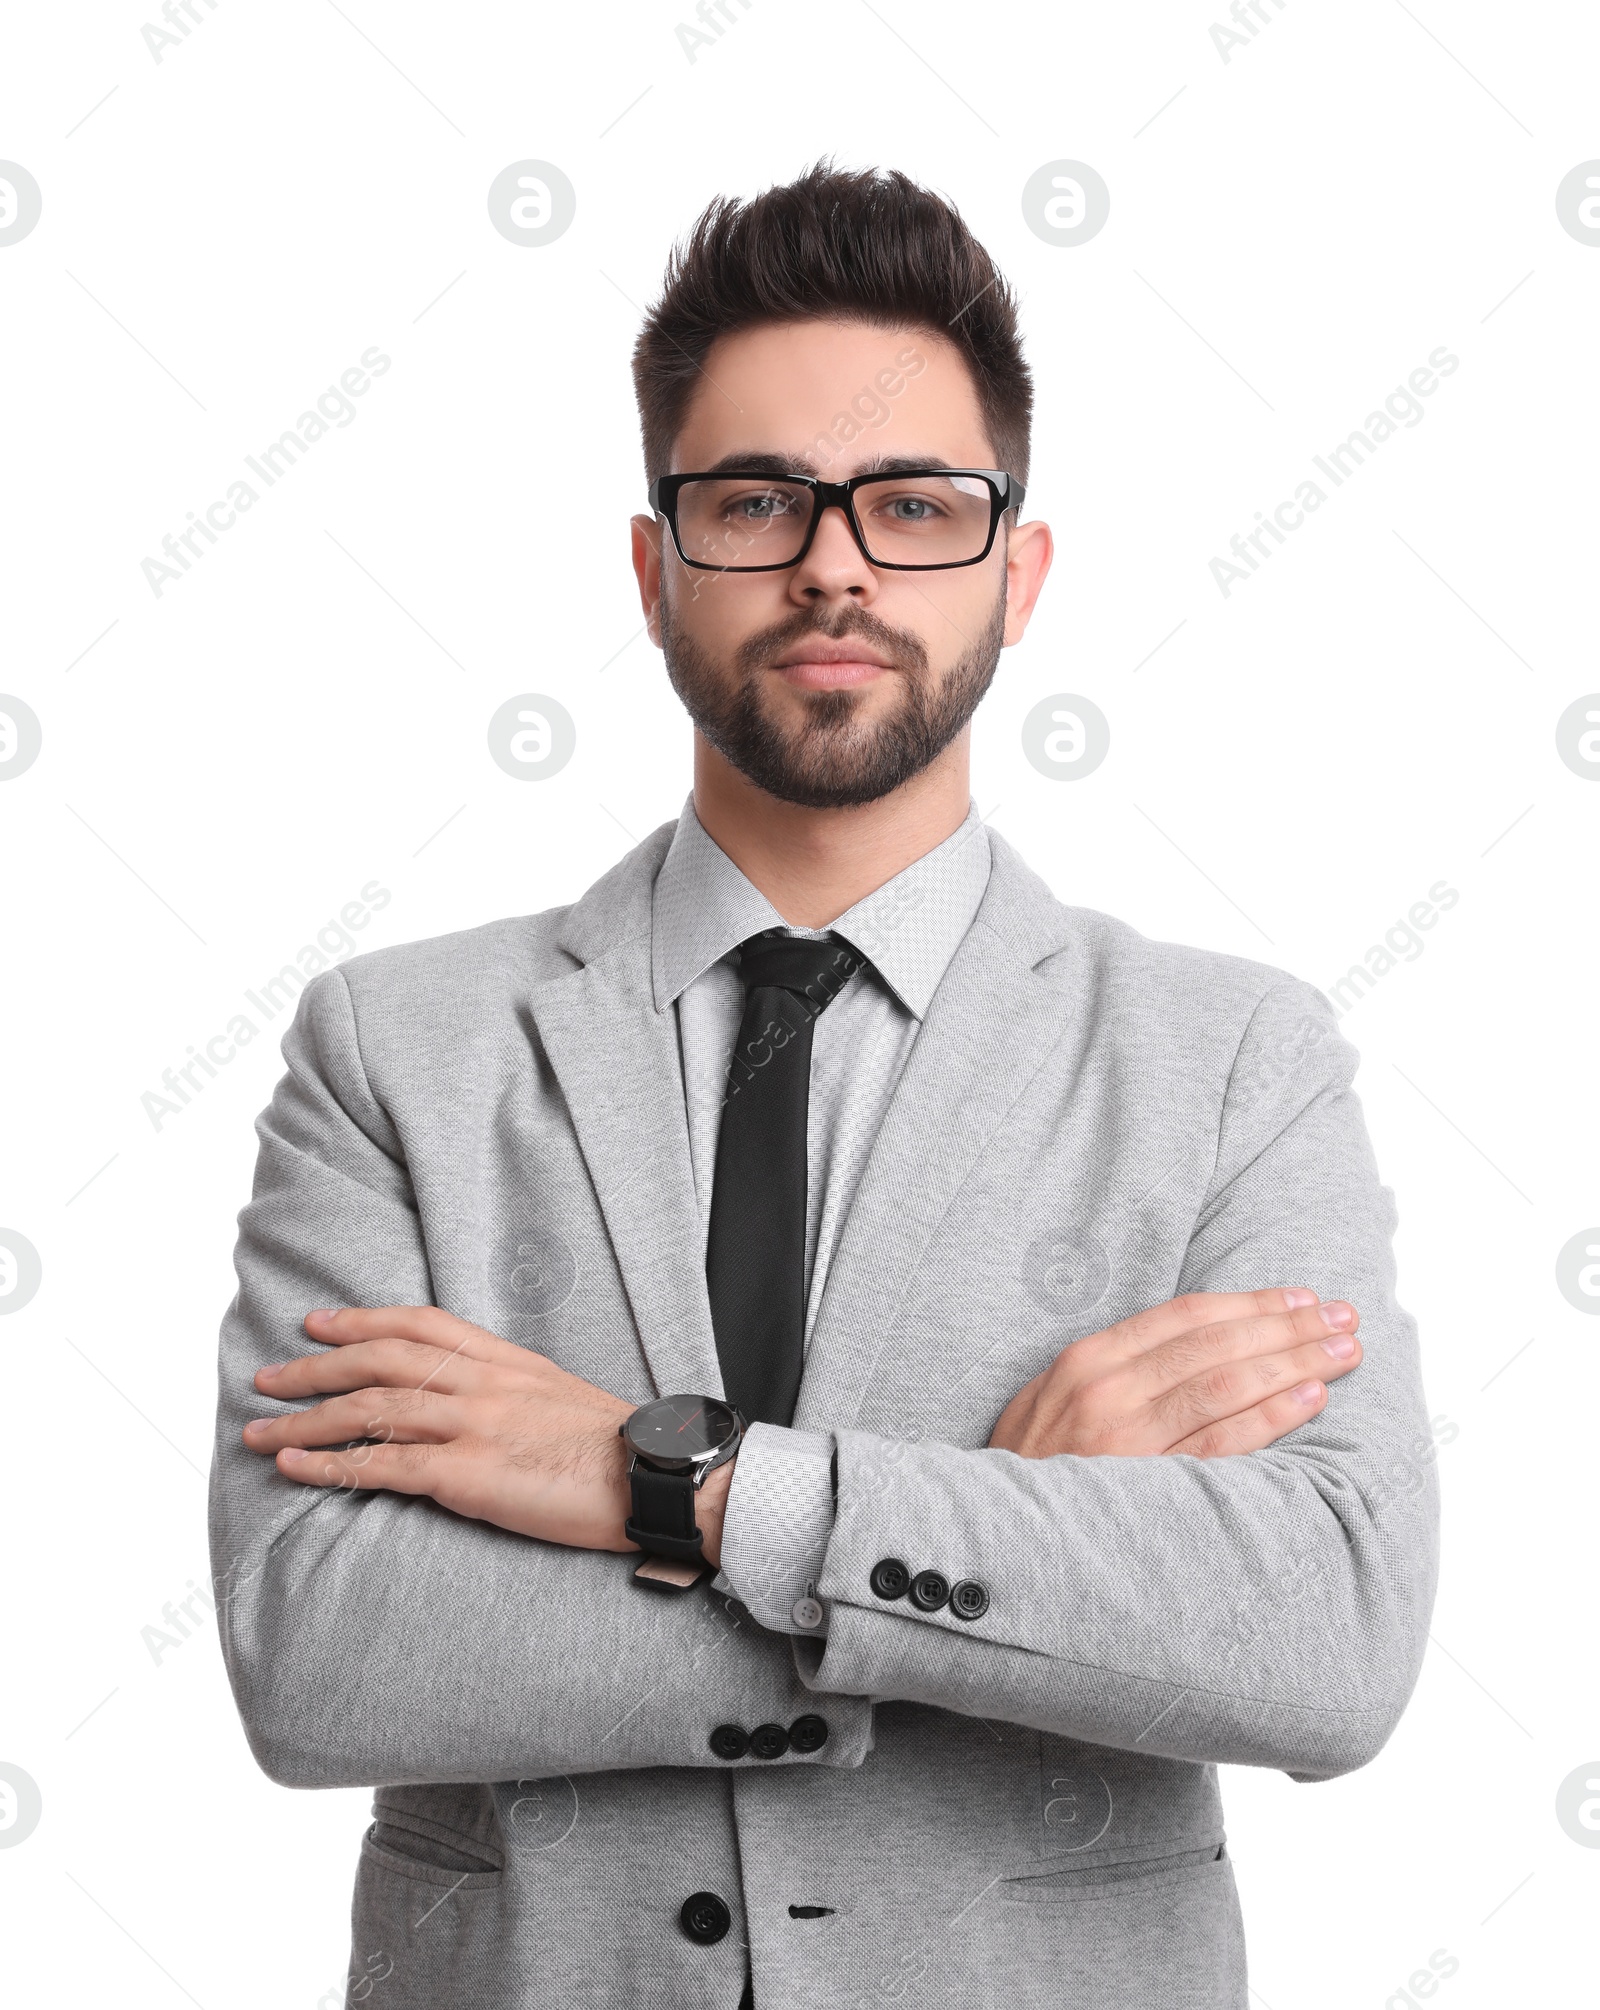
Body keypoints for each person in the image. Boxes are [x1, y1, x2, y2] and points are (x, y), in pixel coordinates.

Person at [210, 161, 1439, 2010]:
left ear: (1017, 573)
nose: (836, 562)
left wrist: (675, 1491)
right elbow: (318, 1653)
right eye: (759, 498)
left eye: (917, 505)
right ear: (656, 567)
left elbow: (1325, 1639)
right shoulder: (398, 1047)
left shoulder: (1230, 1059)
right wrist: (985, 1540)